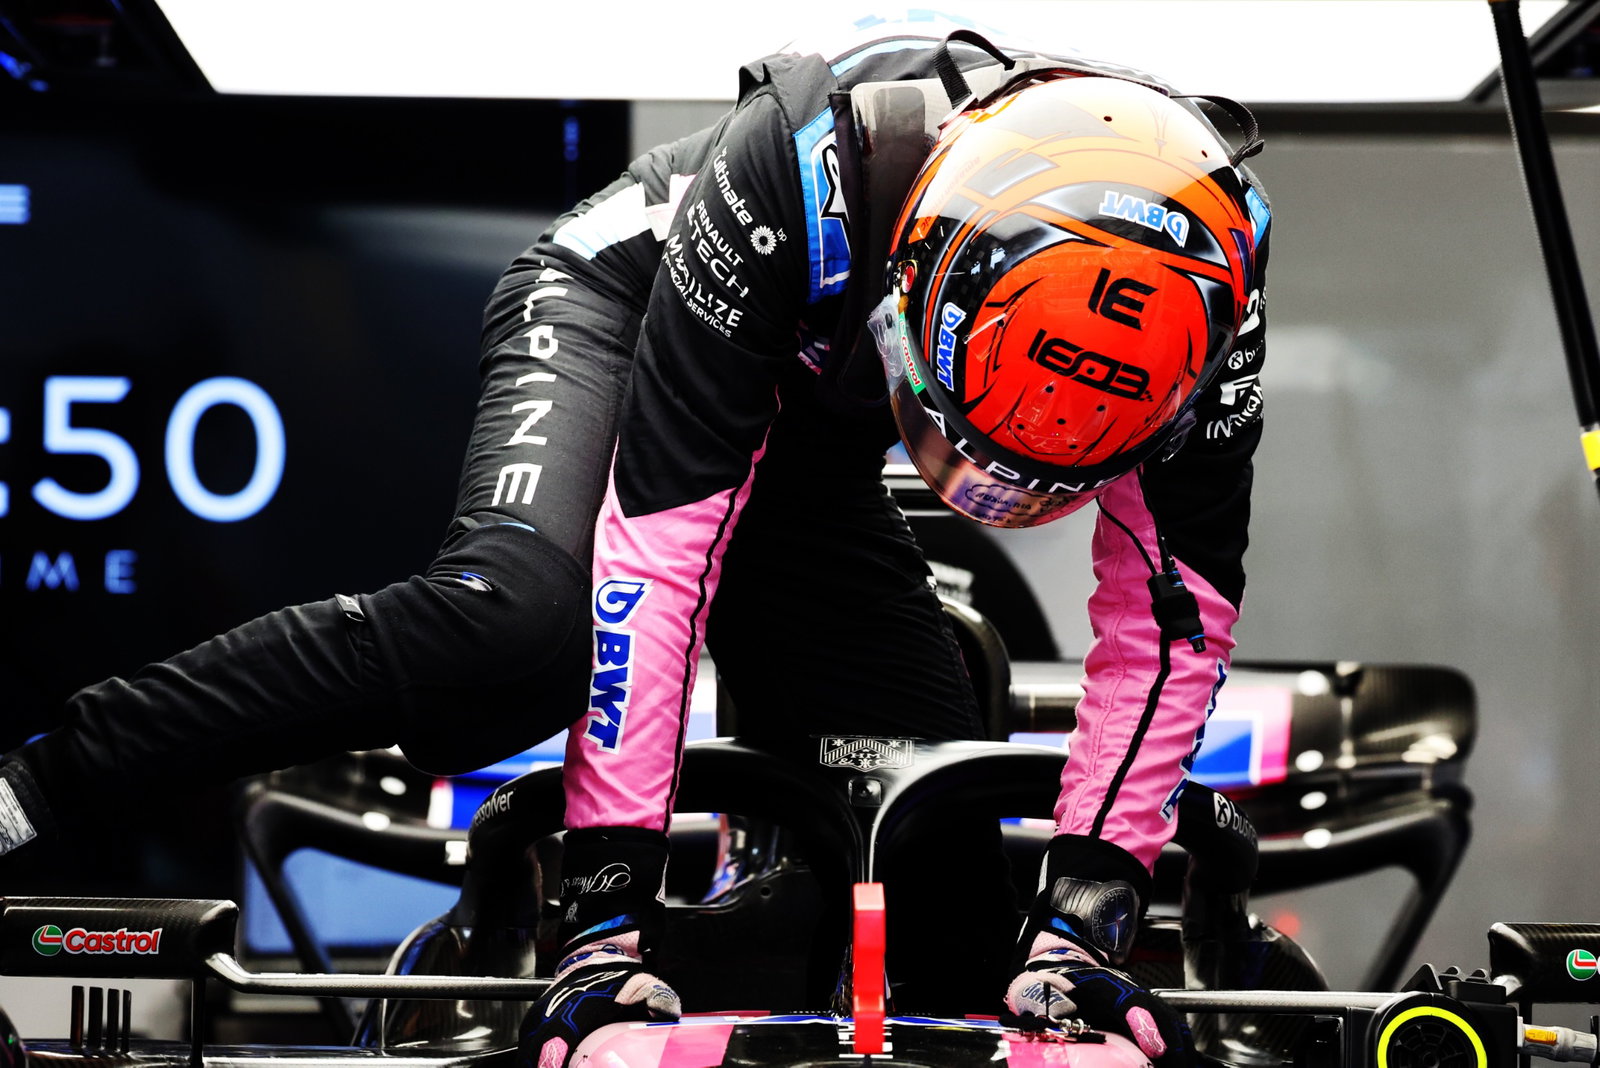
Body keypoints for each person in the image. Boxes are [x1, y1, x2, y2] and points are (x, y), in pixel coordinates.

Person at [0, 14, 1269, 1068]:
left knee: (932, 850)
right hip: (630, 308)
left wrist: (1089, 922)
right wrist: (602, 922)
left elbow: (1168, 622)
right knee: (519, 625)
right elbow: (658, 558)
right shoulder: (805, 162)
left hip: (817, 416)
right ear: (924, 273)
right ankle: (40, 782)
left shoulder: (1211, 312)